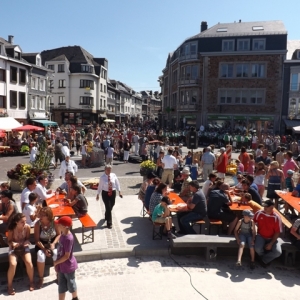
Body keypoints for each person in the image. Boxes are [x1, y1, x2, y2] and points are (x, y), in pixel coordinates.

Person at [7, 213, 34, 295]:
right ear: (16, 222)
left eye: (25, 221)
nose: (24, 223)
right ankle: (9, 286)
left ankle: (31, 282)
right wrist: (13, 243)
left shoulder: (27, 227)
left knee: (29, 262)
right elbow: (9, 241)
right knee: (13, 264)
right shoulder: (11, 229)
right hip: (14, 248)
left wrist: (27, 241)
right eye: (22, 222)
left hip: (23, 246)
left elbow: (28, 238)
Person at [53, 216, 79, 300]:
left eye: (59, 224)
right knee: (61, 287)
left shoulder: (68, 238)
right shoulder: (63, 234)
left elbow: (67, 256)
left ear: (64, 226)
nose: (57, 226)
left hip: (68, 267)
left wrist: (56, 262)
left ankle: (75, 298)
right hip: (61, 266)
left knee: (71, 285)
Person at [34, 206, 60, 288]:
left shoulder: (55, 222)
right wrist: (44, 249)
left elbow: (59, 234)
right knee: (41, 256)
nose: (40, 217)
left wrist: (53, 243)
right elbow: (37, 240)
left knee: (56, 254)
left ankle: (58, 275)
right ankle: (41, 278)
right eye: (40, 214)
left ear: (48, 216)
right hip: (41, 245)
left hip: (52, 244)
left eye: (42, 215)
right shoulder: (38, 224)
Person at [253, 200, 282, 267]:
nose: (265, 208)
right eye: (264, 206)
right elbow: (253, 223)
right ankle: (265, 260)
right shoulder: (259, 213)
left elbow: (277, 232)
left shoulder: (276, 217)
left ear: (272, 207)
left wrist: (271, 243)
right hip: (260, 235)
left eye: (267, 206)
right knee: (257, 248)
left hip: (272, 238)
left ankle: (263, 260)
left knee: (278, 252)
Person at [96, 165, 122, 229]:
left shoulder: (113, 175)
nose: (109, 171)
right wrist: (97, 194)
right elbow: (100, 186)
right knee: (108, 206)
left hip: (113, 192)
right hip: (105, 193)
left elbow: (117, 183)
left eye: (110, 170)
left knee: (112, 204)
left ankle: (106, 214)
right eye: (108, 170)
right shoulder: (102, 177)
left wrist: (119, 191)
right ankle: (109, 223)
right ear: (105, 170)